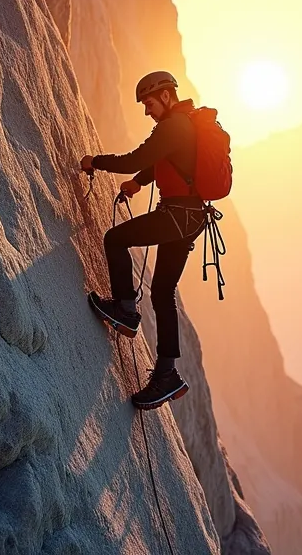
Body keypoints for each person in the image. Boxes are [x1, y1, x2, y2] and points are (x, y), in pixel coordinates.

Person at [82, 70, 221, 410]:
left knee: (116, 239)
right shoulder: (184, 124)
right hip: (191, 218)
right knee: (162, 292)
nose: (147, 110)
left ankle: (125, 310)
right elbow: (164, 161)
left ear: (165, 96)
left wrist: (95, 162)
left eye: (148, 103)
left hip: (176, 216)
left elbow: (139, 157)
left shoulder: (173, 126)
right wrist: (138, 183)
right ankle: (166, 374)